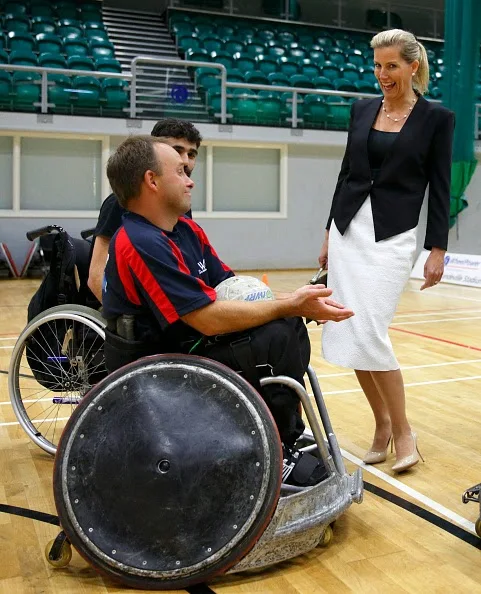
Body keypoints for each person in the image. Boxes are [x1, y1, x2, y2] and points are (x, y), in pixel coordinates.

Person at [102, 135, 354, 486]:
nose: (191, 178)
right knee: (275, 337)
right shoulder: (140, 242)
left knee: (288, 323)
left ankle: (282, 437)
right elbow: (205, 319)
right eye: (180, 171)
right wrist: (289, 303)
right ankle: (274, 454)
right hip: (158, 368)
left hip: (190, 346)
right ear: (152, 181)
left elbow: (233, 290)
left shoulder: (186, 230)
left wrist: (299, 300)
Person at [319, 29, 454, 473]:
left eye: (391, 65)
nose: (382, 74)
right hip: (346, 232)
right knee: (350, 330)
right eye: (377, 66)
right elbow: (345, 174)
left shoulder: (437, 118)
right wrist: (326, 234)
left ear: (413, 66)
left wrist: (437, 247)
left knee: (371, 330)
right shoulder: (361, 110)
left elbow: (440, 187)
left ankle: (404, 431)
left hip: (393, 237)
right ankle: (381, 426)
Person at [87, 118, 202, 302]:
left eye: (192, 154)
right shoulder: (120, 203)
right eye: (177, 150)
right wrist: (121, 323)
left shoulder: (178, 203)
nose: (185, 161)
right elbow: (96, 277)